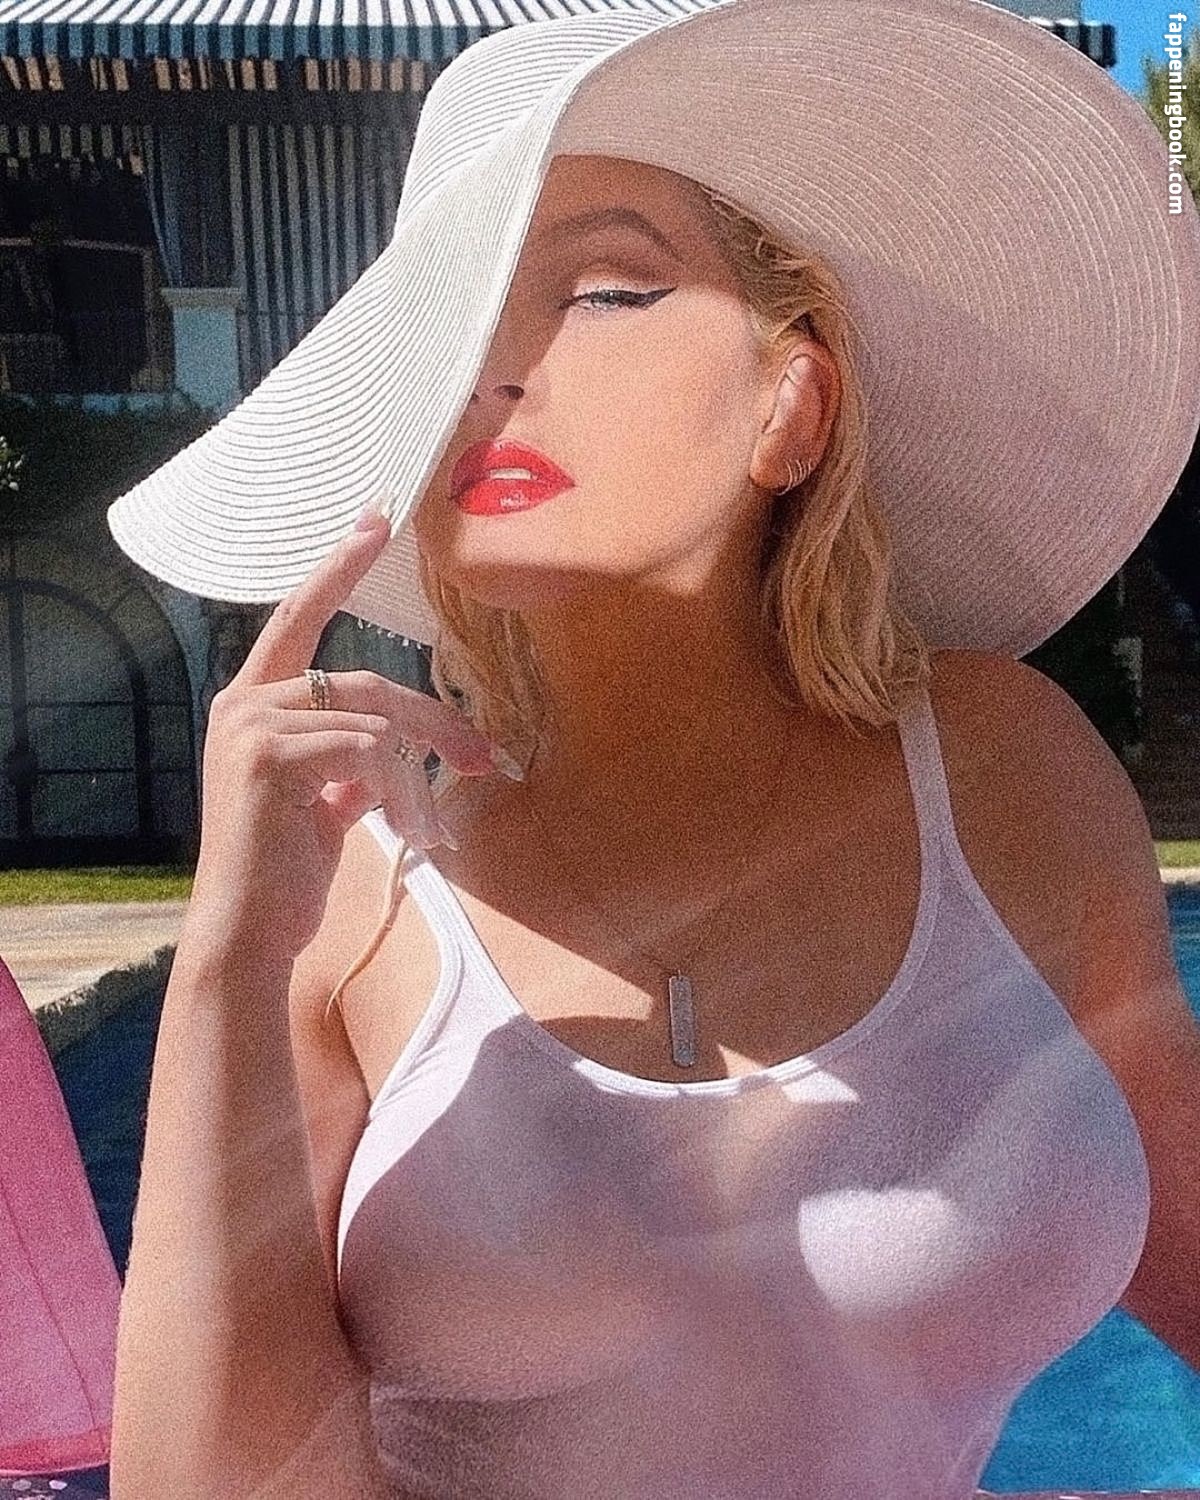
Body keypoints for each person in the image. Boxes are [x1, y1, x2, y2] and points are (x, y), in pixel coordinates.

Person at [102, 0, 1200, 1494]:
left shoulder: (1002, 769)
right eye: (456, 325)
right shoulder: (354, 868)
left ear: (792, 407)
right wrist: (229, 960)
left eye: (607, 290)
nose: (495, 369)